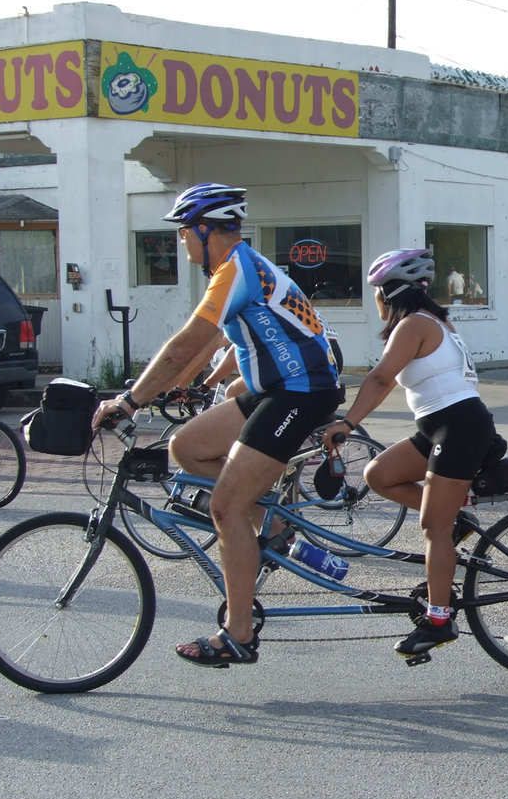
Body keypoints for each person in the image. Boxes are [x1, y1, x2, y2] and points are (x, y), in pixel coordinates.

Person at [91, 183, 344, 668]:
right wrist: (172, 387)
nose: (181, 241)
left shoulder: (235, 270)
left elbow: (188, 342)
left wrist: (129, 401)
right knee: (186, 447)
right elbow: (205, 350)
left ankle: (239, 633)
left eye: (185, 231)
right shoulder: (239, 268)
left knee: (225, 505)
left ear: (207, 231)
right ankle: (274, 537)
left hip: (301, 392)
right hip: (276, 389)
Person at [322, 248, 498, 657]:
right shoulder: (433, 320)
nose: (375, 303)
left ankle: (439, 620)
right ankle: (455, 520)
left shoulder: (415, 325)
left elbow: (382, 377)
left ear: (389, 293)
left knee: (432, 528)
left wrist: (348, 424)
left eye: (376, 295)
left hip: (459, 426)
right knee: (379, 474)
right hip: (443, 425)